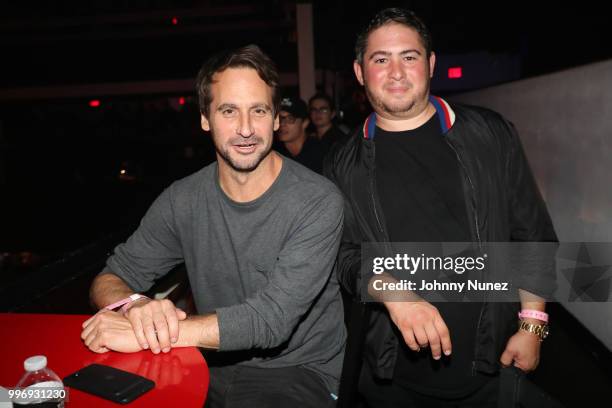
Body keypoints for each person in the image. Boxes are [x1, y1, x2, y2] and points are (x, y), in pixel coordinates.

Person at [81, 44, 345, 408]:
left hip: (297, 372)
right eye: (229, 111)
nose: (246, 129)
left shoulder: (317, 200)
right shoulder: (182, 199)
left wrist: (151, 335)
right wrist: (135, 308)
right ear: (205, 118)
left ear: (276, 119)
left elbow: (271, 321)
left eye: (258, 110)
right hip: (205, 361)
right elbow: (111, 276)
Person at [324, 8, 557, 407]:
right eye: (381, 59)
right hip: (391, 380)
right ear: (360, 72)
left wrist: (533, 326)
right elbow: (342, 257)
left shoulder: (490, 134)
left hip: (492, 366)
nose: (396, 71)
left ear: (430, 64)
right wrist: (393, 293)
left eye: (409, 56)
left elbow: (531, 233)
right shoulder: (341, 163)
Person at [275, 95, 326, 173]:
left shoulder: (319, 154)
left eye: (290, 119)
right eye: (279, 118)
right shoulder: (275, 153)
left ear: (305, 123)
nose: (282, 123)